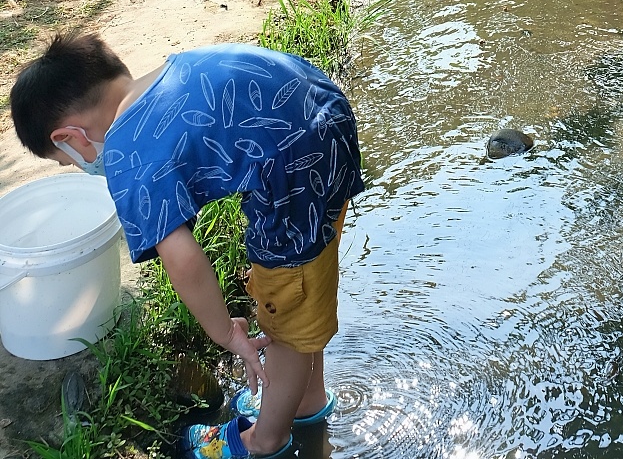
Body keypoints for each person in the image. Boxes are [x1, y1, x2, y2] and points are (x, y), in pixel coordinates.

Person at [9, 33, 363, 459]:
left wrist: (224, 332)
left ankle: (264, 440)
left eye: (68, 160)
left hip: (297, 167)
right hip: (322, 121)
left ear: (72, 137)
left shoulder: (126, 152)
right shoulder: (172, 72)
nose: (81, 166)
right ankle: (305, 401)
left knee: (288, 307)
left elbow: (183, 259)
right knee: (306, 279)